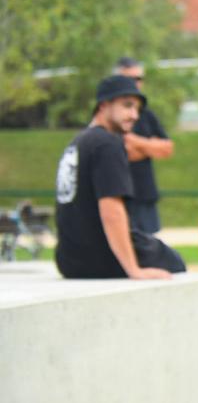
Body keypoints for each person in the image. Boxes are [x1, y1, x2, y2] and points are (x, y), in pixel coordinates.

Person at [54, 75, 186, 279]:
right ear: (104, 105)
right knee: (175, 263)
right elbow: (111, 210)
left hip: (69, 260)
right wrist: (133, 270)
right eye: (127, 106)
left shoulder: (76, 143)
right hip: (101, 257)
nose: (134, 115)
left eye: (137, 109)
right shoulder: (107, 143)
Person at [114, 57, 174, 234]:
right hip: (120, 197)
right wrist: (150, 147)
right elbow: (122, 151)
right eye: (129, 79)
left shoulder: (147, 114)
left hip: (145, 196)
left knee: (152, 254)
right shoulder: (111, 115)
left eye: (138, 79)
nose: (135, 83)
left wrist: (135, 141)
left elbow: (167, 148)